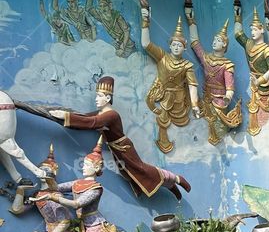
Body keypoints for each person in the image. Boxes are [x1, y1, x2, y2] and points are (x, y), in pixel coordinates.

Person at [48, 76, 191, 200]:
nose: (96, 99)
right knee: (128, 175)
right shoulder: (101, 113)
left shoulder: (111, 115)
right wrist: (64, 116)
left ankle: (176, 179)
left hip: (124, 148)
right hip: (116, 149)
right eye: (96, 95)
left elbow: (92, 123)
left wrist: (66, 117)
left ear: (108, 98)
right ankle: (169, 184)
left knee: (143, 170)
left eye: (99, 96)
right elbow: (85, 119)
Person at [141, 1, 201, 154]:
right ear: (170, 45)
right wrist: (145, 22)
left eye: (179, 45)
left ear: (184, 48)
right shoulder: (163, 57)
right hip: (161, 95)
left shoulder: (187, 65)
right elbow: (146, 44)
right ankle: (162, 139)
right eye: (174, 44)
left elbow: (192, 85)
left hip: (179, 99)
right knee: (161, 119)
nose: (176, 47)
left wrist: (194, 105)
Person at [187, 13, 242, 145]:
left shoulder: (227, 65)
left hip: (220, 102)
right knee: (203, 128)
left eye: (218, 40)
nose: (214, 42)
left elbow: (230, 87)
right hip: (206, 99)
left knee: (220, 133)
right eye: (214, 39)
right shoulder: (206, 58)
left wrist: (228, 97)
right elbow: (195, 42)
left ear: (224, 45)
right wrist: (191, 20)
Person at [234, 7, 269, 136]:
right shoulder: (249, 44)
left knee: (265, 112)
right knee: (254, 108)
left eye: (255, 29)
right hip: (254, 84)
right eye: (251, 30)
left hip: (265, 85)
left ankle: (268, 132)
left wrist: (259, 80)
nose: (252, 32)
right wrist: (237, 15)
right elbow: (238, 34)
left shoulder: (266, 50)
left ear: (262, 30)